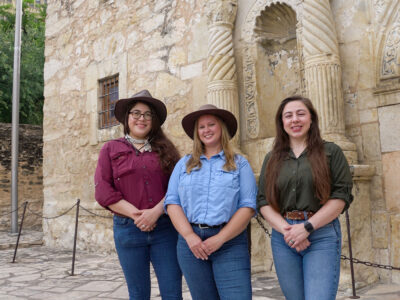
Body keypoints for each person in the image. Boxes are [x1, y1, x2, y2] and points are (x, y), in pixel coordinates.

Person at [257, 95, 353, 300]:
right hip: (284, 237)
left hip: (321, 234)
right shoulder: (272, 158)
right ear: (282, 123)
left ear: (311, 119)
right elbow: (263, 201)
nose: (295, 120)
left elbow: (341, 196)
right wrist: (289, 232)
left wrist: (307, 228)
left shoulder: (331, 152)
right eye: (288, 116)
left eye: (301, 114)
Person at [94, 90, 182, 300]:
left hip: (165, 229)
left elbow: (178, 187)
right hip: (128, 230)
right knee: (138, 293)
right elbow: (103, 190)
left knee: (172, 292)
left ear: (154, 121)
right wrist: (137, 215)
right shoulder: (110, 149)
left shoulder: (167, 149)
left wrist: (155, 213)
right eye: (136, 113)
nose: (141, 118)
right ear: (127, 118)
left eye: (147, 114)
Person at [164, 104, 257, 300]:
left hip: (229, 243)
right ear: (197, 133)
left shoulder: (240, 164)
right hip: (191, 245)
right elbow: (172, 202)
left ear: (221, 128)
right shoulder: (184, 164)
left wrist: (220, 238)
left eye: (211, 125)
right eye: (201, 127)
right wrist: (189, 236)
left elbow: (247, 206)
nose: (206, 130)